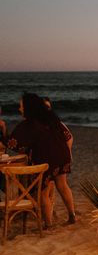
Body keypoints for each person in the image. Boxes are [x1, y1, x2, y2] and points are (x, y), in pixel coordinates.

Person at [8, 93, 76, 227]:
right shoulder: (52, 118)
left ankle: (48, 225)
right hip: (62, 155)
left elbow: (13, 144)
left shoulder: (29, 124)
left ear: (28, 107)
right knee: (62, 185)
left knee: (43, 192)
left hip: (46, 159)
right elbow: (68, 136)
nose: (19, 109)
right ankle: (72, 216)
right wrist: (68, 153)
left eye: (21, 106)